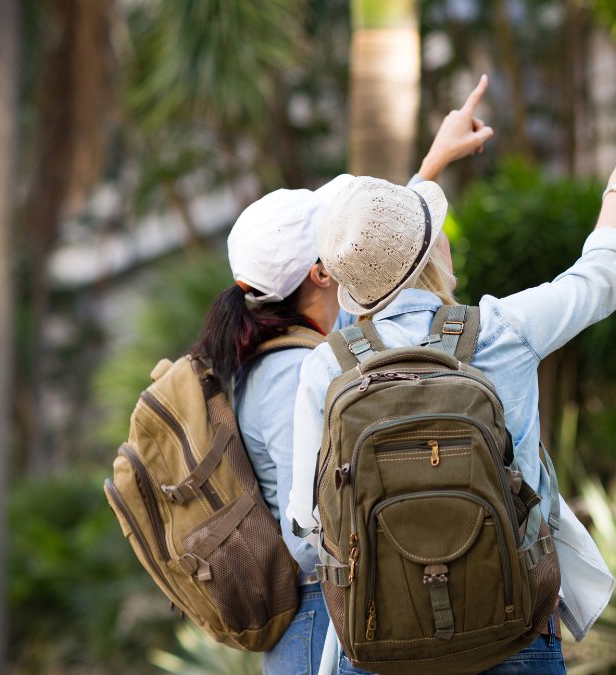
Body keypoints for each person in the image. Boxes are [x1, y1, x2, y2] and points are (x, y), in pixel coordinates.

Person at [288, 112, 616, 674]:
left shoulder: (329, 367)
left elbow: (304, 520)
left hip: (378, 640)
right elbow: (603, 275)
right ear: (436, 248)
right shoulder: (503, 330)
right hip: (513, 628)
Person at [190, 75, 496, 675]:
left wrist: (433, 162)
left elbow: (386, 250)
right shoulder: (294, 372)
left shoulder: (308, 345)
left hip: (334, 614)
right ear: (323, 273)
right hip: (318, 622)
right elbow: (307, 531)